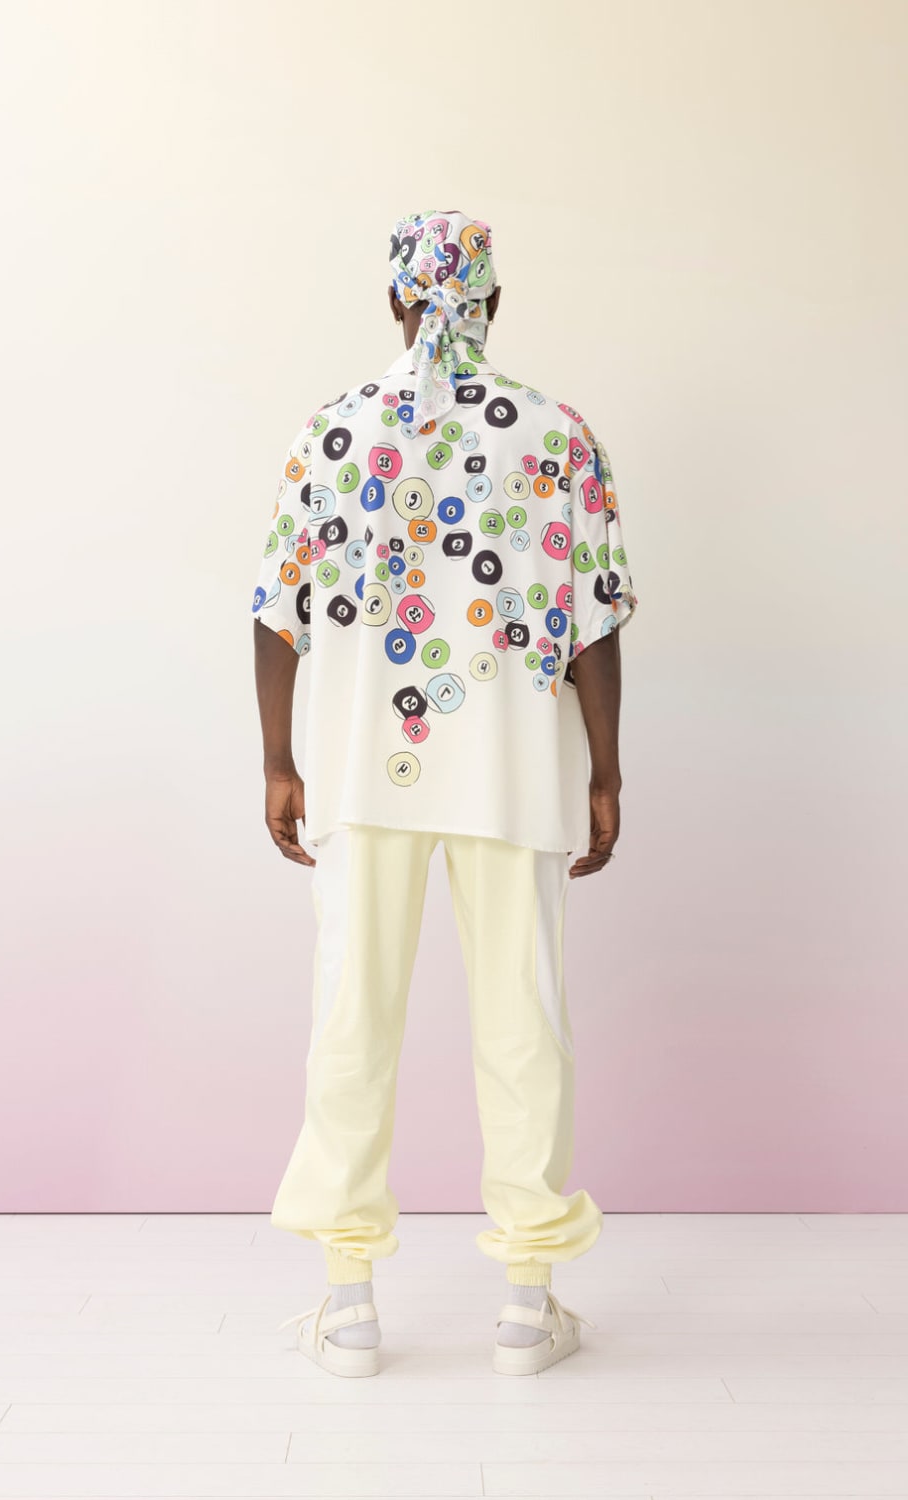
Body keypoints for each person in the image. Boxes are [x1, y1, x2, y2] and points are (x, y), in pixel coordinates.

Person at [252, 208, 638, 1378]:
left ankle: (349, 1306)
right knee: (524, 1021)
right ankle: (525, 1305)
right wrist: (606, 766)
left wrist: (279, 759)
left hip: (363, 765)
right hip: (512, 768)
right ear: (492, 302)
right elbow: (593, 618)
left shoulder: (335, 430)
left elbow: (277, 608)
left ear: (395, 300)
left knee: (350, 1015)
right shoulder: (555, 432)